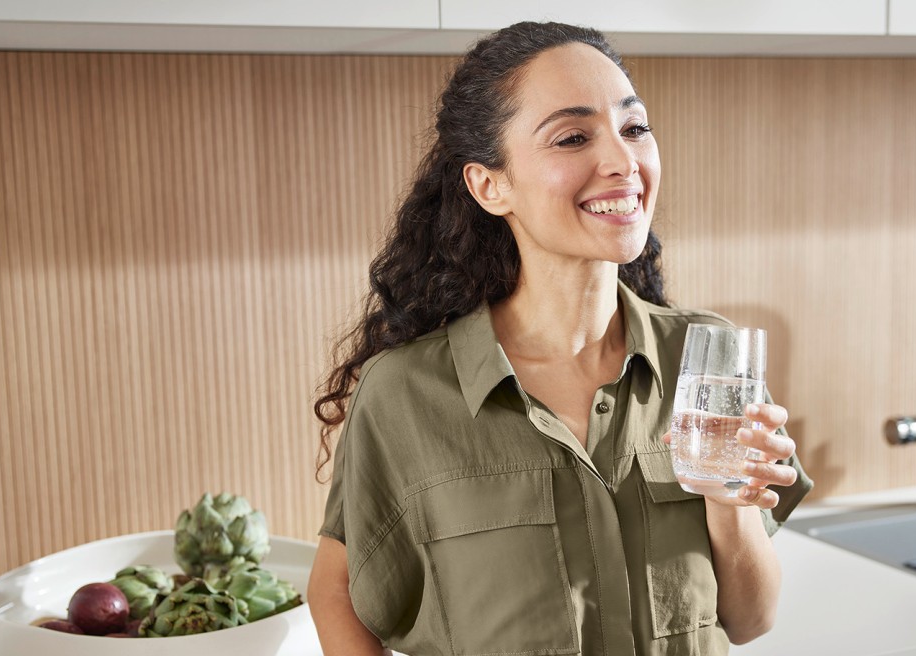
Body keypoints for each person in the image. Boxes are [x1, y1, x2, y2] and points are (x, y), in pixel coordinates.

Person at [305, 21, 813, 655]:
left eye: (635, 129)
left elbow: (751, 619)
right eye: (573, 137)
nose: (623, 162)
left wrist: (730, 505)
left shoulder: (705, 364)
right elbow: (336, 593)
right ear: (491, 185)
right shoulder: (406, 394)